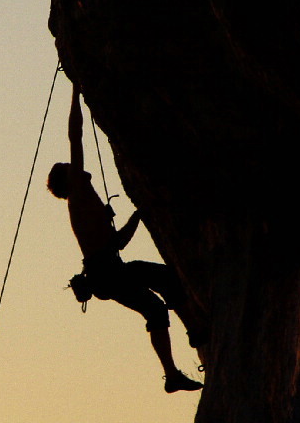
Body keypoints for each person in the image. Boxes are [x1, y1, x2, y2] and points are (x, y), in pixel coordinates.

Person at [47, 84, 203, 393]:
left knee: (163, 283)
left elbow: (118, 243)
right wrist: (77, 89)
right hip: (106, 273)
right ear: (70, 178)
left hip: (109, 270)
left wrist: (141, 211)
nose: (76, 167)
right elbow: (75, 136)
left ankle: (193, 338)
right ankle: (178, 365)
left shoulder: (86, 200)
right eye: (70, 168)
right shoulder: (78, 196)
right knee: (156, 302)